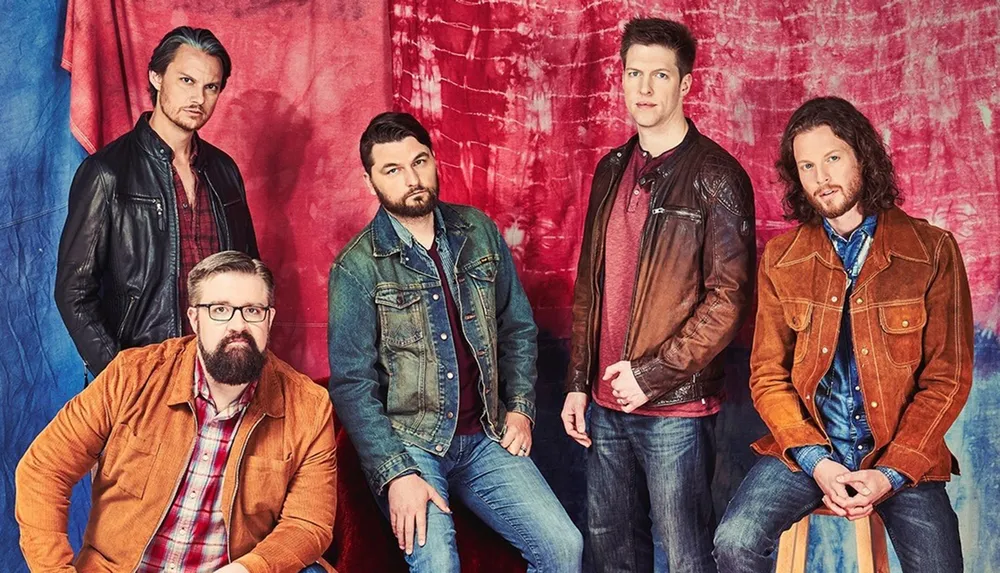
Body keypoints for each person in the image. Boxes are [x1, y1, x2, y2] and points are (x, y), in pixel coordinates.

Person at [713, 96, 973, 573]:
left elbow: (948, 379)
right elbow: (768, 376)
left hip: (901, 453)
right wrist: (818, 462)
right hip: (811, 449)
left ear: (862, 155)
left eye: (832, 158)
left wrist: (890, 473)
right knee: (734, 542)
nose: (821, 178)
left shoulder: (932, 250)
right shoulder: (782, 257)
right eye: (806, 166)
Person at [328, 112, 583, 572]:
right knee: (438, 565)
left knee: (565, 547)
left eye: (419, 161)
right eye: (393, 170)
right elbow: (351, 385)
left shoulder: (477, 231)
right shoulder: (357, 267)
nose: (412, 179)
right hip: (411, 444)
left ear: (433, 159)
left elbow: (517, 328)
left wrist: (521, 407)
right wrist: (395, 473)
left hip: (484, 435)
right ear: (370, 182)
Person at [560, 17, 755, 573]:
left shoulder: (717, 175)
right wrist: (578, 382)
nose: (643, 89)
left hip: (677, 408)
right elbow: (588, 288)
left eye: (659, 75)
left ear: (686, 85)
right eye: (633, 73)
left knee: (686, 557)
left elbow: (727, 302)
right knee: (612, 554)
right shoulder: (610, 168)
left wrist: (649, 375)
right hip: (603, 405)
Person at [18, 251, 336, 572]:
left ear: (268, 319)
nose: (237, 325)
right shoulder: (132, 375)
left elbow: (309, 521)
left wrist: (250, 568)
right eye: (220, 310)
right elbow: (43, 470)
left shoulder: (308, 406)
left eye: (252, 310)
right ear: (195, 319)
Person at [55, 26, 258, 376]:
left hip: (220, 371)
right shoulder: (107, 172)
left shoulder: (224, 171)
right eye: (186, 81)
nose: (198, 98)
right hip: (144, 373)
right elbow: (74, 292)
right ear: (157, 76)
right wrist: (121, 376)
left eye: (211, 87)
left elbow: (250, 272)